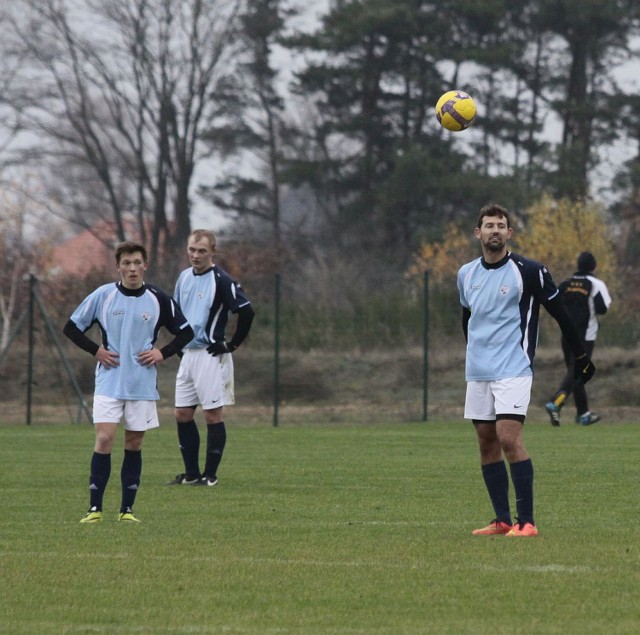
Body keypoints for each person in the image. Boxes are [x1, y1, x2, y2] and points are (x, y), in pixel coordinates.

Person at [457, 204, 595, 537]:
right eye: (489, 225)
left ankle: (527, 522)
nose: (495, 230)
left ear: (509, 233)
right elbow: (467, 319)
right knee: (486, 441)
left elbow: (561, 313)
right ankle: (502, 520)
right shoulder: (466, 274)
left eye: (501, 225)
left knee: (508, 437)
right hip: (478, 370)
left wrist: (581, 357)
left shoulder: (529, 271)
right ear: (478, 233)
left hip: (514, 368)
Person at [63, 241, 194, 523]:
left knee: (134, 443)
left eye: (137, 263)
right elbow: (71, 327)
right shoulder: (103, 295)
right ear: (118, 266)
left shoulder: (159, 299)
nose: (132, 268)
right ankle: (95, 509)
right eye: (126, 263)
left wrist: (163, 352)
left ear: (145, 265)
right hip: (109, 381)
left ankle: (126, 510)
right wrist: (96, 350)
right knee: (105, 438)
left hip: (142, 385)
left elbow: (186, 332)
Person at [167, 229, 255, 487]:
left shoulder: (222, 280)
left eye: (202, 251)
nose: (195, 255)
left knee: (212, 416)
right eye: (192, 250)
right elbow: (176, 314)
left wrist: (232, 344)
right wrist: (178, 345)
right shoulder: (184, 277)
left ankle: (210, 476)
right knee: (182, 414)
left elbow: (246, 312)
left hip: (210, 354)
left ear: (213, 252)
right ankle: (192, 474)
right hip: (188, 355)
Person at [545, 252, 612, 426]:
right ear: (594, 266)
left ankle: (583, 414)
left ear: (578, 265)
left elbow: (554, 303)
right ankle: (556, 402)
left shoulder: (567, 284)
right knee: (578, 371)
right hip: (585, 336)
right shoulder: (596, 284)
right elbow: (603, 308)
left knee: (574, 372)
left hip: (566, 335)